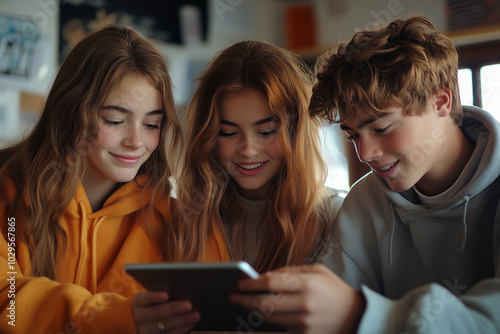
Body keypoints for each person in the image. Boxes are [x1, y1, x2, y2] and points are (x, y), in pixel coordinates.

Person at [230, 16, 500, 333]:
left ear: (441, 102)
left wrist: (361, 314)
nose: (366, 153)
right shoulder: (365, 201)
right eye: (354, 135)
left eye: (382, 127)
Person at [0, 26, 229, 334]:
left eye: (151, 124)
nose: (136, 141)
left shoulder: (183, 226)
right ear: (71, 112)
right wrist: (113, 318)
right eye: (114, 120)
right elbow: (7, 305)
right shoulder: (7, 198)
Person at [175, 40, 344, 276]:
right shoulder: (184, 218)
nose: (248, 150)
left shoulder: (337, 217)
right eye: (229, 133)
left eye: (266, 132)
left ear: (297, 133)